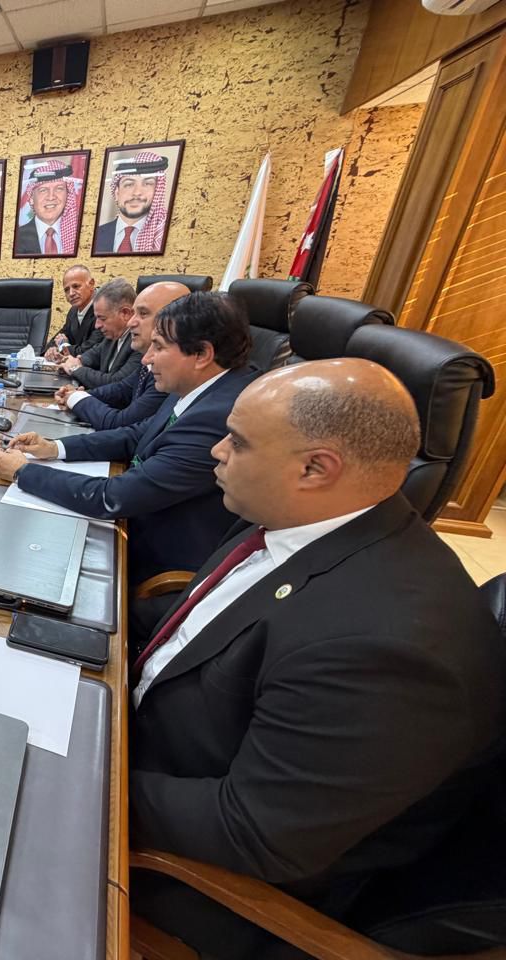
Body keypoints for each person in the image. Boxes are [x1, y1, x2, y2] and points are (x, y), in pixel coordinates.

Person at [130, 359, 504, 960]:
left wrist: (80, 778)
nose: (217, 452)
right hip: (153, 744)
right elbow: (200, 628)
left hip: (200, 879)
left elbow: (250, 830)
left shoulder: (386, 647)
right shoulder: (297, 519)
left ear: (315, 468)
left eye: (238, 442)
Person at [0, 292, 258, 583]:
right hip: (135, 523)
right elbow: (134, 435)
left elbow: (113, 498)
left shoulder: (219, 416)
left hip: (151, 563)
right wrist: (53, 448)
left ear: (202, 354)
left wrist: (23, 472)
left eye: (159, 346)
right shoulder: (199, 388)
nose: (146, 358)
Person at [55, 281, 186, 430]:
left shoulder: (170, 372)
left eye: (143, 314)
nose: (131, 322)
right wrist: (77, 394)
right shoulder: (119, 340)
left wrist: (76, 396)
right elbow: (122, 389)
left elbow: (121, 423)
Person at [59, 277, 140, 390]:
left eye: (102, 318)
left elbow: (115, 383)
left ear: (125, 313)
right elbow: (94, 354)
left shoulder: (140, 342)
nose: (97, 325)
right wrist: (78, 361)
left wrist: (75, 368)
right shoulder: (113, 335)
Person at [94, 151, 170, 254]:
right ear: (117, 193)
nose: (137, 193)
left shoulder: (165, 234)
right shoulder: (96, 234)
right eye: (129, 184)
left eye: (147, 184)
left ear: (157, 191)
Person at [13, 160, 80, 257]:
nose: (51, 197)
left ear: (68, 194)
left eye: (59, 189)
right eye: (43, 190)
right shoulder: (15, 239)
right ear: (31, 198)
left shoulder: (81, 235)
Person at [43, 264, 102, 362]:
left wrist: (63, 346)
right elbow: (60, 336)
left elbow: (87, 351)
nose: (71, 293)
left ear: (91, 284)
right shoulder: (73, 311)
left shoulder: (103, 309)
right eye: (66, 290)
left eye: (76, 286)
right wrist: (52, 349)